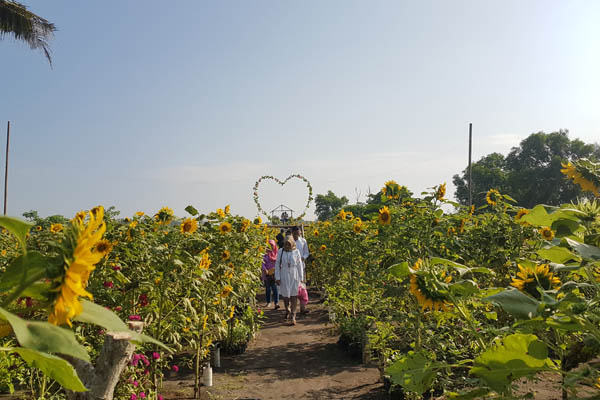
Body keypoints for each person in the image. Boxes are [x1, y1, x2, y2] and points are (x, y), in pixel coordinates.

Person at [274, 236, 304, 325]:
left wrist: (301, 277)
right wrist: (278, 277)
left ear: (292, 243)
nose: (287, 246)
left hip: (294, 275)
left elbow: (299, 265)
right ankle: (287, 309)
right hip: (284, 274)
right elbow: (277, 265)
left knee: (294, 295)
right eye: (286, 244)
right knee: (285, 295)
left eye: (289, 244)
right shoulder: (281, 251)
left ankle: (293, 315)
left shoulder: (296, 251)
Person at [262, 240, 280, 309]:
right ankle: (268, 302)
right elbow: (262, 263)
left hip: (274, 273)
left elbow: (278, 263)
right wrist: (265, 269)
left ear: (274, 246)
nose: (271, 247)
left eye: (272, 245)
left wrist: (276, 270)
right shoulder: (265, 254)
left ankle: (276, 303)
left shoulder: (276, 253)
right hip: (267, 273)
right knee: (268, 289)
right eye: (269, 245)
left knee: (275, 289)